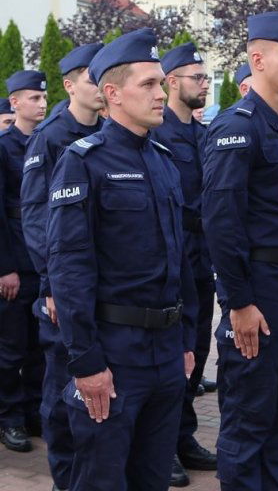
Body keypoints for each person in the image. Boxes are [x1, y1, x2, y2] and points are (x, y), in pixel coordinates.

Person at [45, 27, 199, 490]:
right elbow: (69, 267)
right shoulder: (83, 161)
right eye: (148, 84)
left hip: (167, 351)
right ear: (112, 93)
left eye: (162, 82)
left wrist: (188, 337)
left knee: (152, 477)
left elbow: (182, 257)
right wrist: (86, 361)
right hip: (114, 353)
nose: (161, 93)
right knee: (101, 478)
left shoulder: (162, 158)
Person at [201, 13, 278, 490]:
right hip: (259, 290)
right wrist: (239, 303)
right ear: (257, 60)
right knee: (250, 410)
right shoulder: (238, 127)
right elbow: (221, 223)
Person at [19, 42, 104, 490]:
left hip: (96, 287)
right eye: (92, 78)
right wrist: (52, 285)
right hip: (62, 287)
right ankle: (64, 477)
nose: (100, 85)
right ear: (70, 85)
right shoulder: (51, 137)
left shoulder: (107, 133)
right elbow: (36, 218)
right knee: (61, 392)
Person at [152, 42, 218, 487]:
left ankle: (184, 435)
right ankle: (162, 448)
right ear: (172, 82)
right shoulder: (157, 131)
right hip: (171, 258)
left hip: (202, 259)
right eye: (197, 77)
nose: (206, 83)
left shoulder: (203, 131)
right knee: (172, 356)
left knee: (196, 351)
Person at [0, 70, 48, 454]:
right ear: (14, 102)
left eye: (43, 97)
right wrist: (4, 266)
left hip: (42, 259)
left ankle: (34, 413)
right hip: (15, 260)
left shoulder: (47, 143)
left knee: (39, 347)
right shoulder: (3, 147)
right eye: (33, 98)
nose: (42, 104)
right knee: (11, 347)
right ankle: (10, 418)